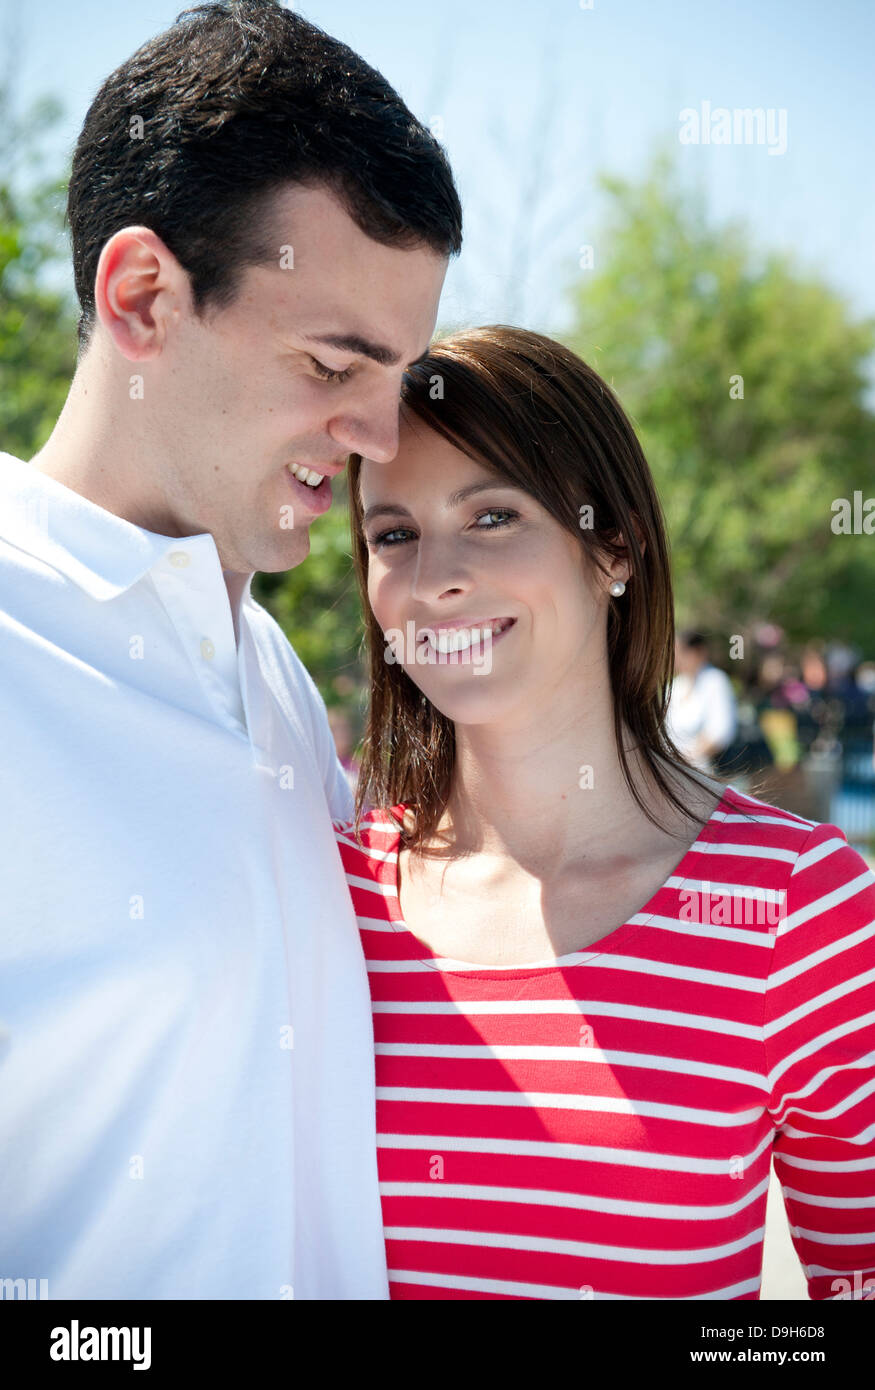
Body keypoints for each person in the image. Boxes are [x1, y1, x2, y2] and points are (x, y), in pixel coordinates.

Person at [0, 0, 459, 1299]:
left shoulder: (271, 675)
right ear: (143, 295)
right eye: (333, 362)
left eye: (401, 375)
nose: (378, 435)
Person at [333, 325, 875, 1300]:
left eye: (491, 515)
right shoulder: (323, 895)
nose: (433, 577)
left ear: (610, 546)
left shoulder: (797, 911)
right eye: (392, 533)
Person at [666, 630, 737, 772]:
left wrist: (684, 760)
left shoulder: (716, 681)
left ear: (699, 652)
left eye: (681, 652)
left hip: (704, 772)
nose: (676, 658)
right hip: (674, 769)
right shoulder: (674, 687)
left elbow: (720, 733)